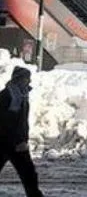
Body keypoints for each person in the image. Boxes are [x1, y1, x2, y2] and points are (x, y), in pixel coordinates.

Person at [0, 67, 43, 197]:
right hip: (5, 142)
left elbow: (22, 121)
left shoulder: (22, 96)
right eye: (26, 78)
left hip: (18, 143)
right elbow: (4, 121)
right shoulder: (6, 96)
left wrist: (24, 138)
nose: (29, 81)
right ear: (18, 79)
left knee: (29, 174)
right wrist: (16, 140)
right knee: (28, 173)